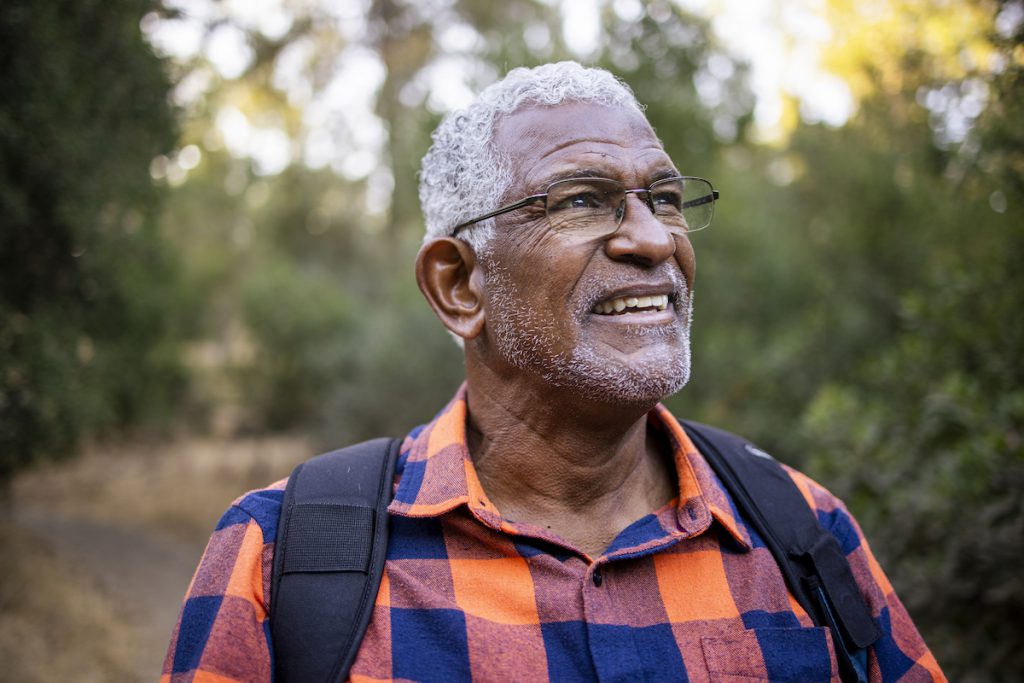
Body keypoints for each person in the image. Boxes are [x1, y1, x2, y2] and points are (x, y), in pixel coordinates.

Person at [163, 61, 943, 682]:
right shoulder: (279, 558)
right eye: (583, 199)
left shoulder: (804, 533)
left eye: (664, 198)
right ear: (459, 285)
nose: (653, 239)